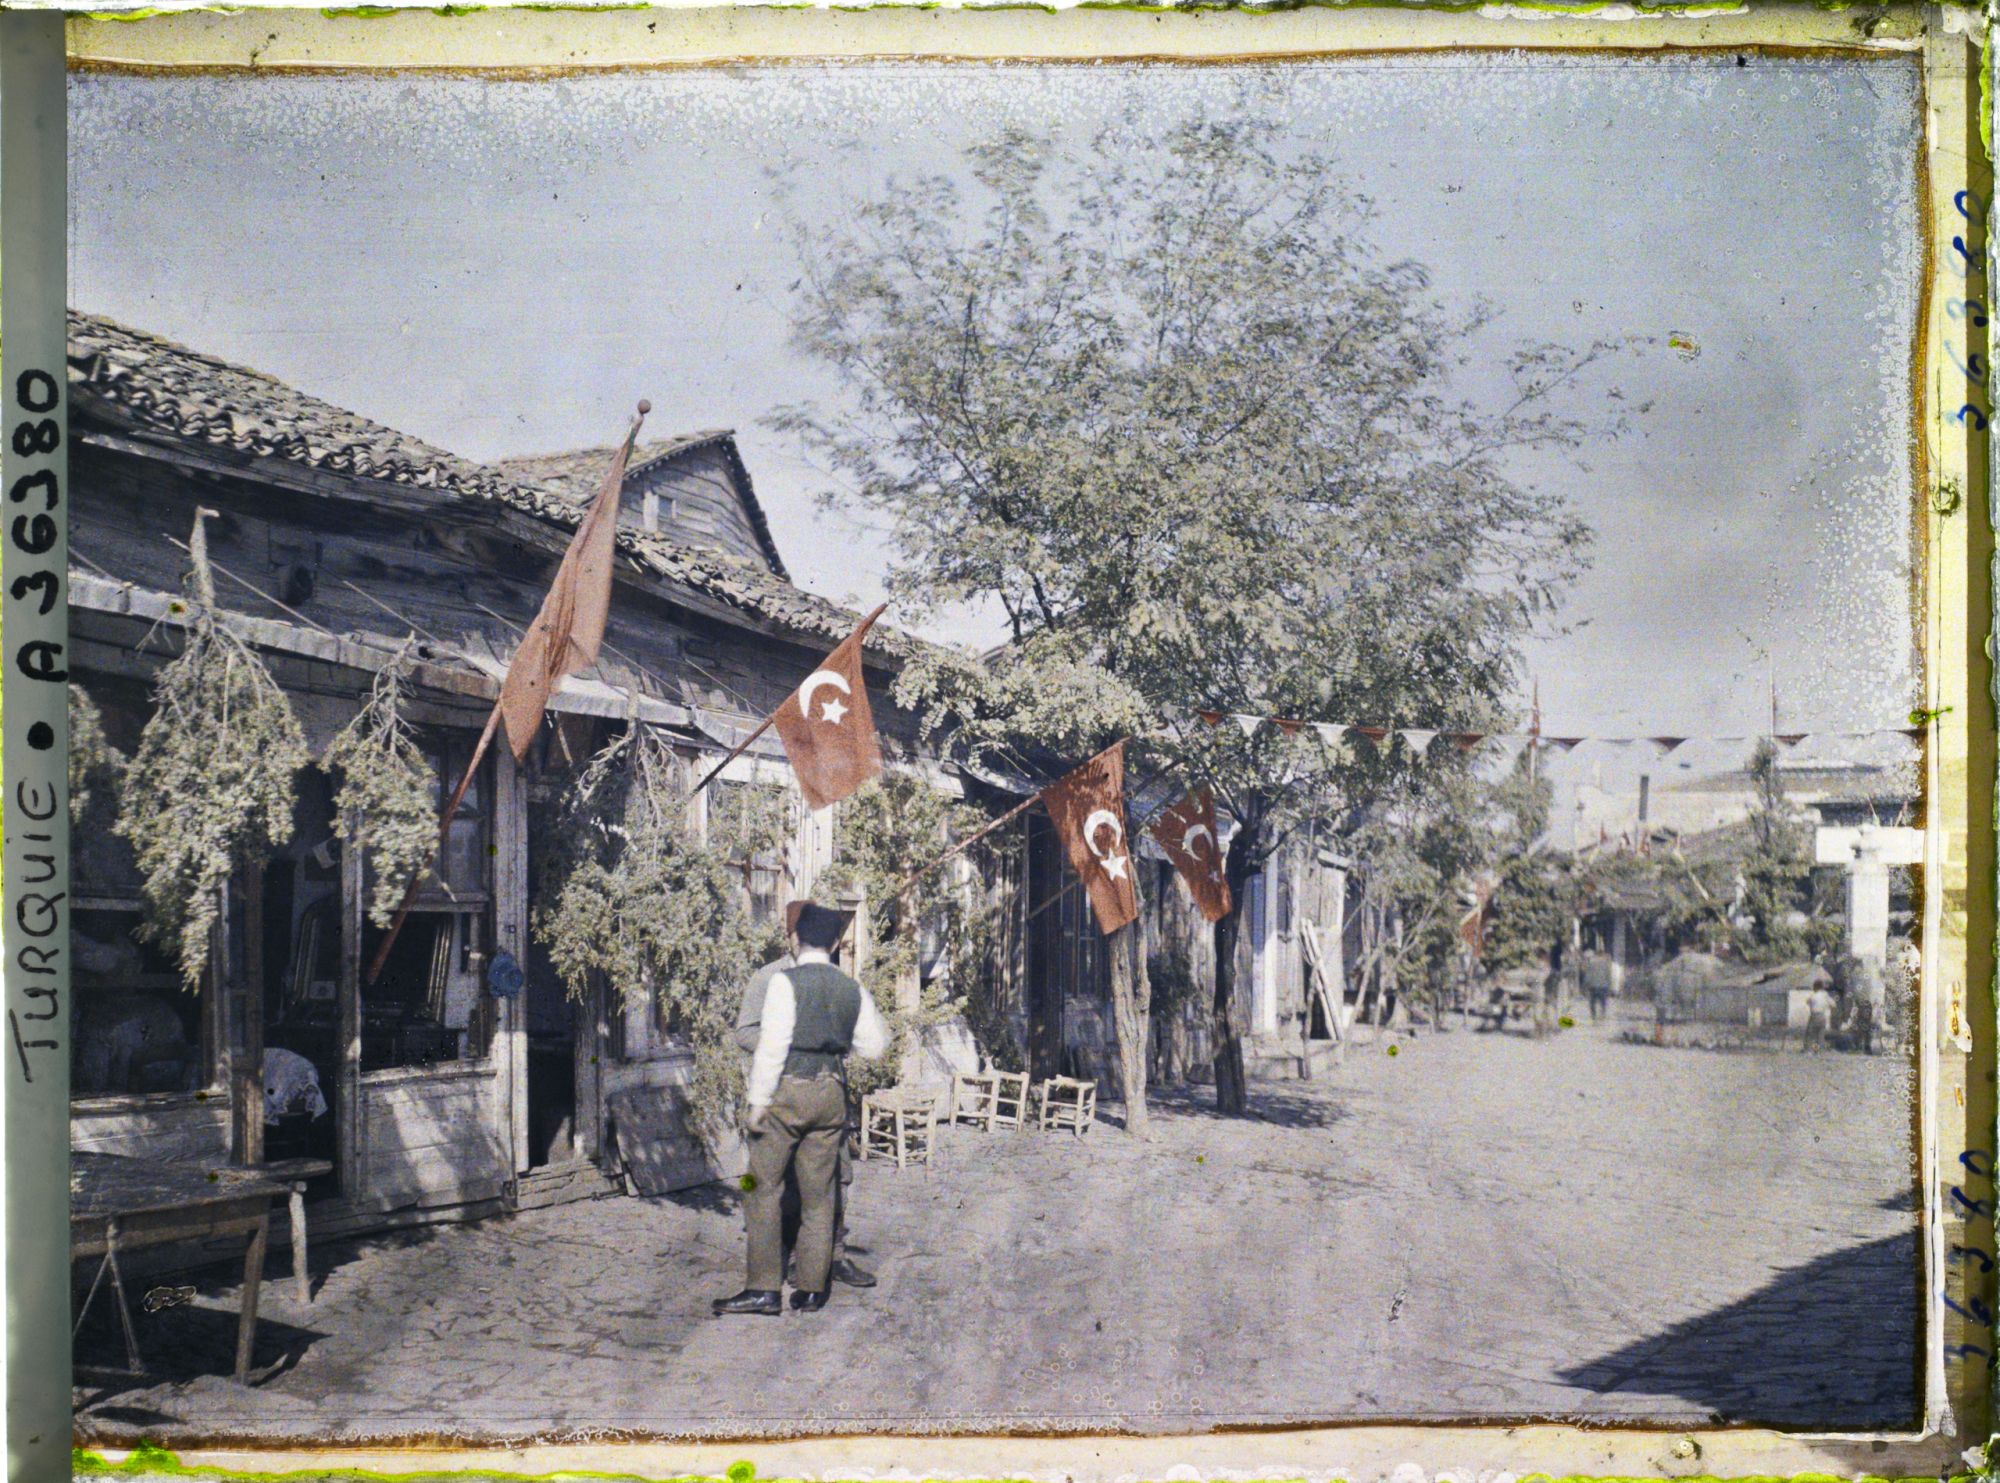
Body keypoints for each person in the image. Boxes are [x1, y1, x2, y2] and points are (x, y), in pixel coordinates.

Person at [714, 902, 890, 1317]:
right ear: (834, 943)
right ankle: (812, 1289)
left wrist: (758, 1103)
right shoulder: (851, 988)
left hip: (786, 1094)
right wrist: (834, 1042)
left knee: (757, 1188)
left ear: (796, 938)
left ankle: (763, 1289)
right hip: (830, 1095)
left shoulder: (783, 982)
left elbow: (772, 1048)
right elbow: (877, 1046)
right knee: (820, 1193)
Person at [1582, 947, 1615, 1024]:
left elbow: (1588, 975)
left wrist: (1584, 986)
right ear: (1602, 955)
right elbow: (1609, 976)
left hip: (1593, 986)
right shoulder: (1606, 964)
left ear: (1596, 955)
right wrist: (1610, 986)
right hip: (1603, 986)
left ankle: (1594, 1018)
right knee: (1603, 1002)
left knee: (1592, 1002)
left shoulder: (1591, 963)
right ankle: (1602, 1016)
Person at [1802, 980, 1836, 1053]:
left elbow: (1807, 1002)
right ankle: (1818, 1050)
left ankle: (1808, 1050)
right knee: (1820, 1034)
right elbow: (1833, 1005)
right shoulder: (1825, 995)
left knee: (1810, 1034)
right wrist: (1827, 1007)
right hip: (1823, 1016)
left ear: (1815, 987)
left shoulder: (1814, 995)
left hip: (1814, 1015)